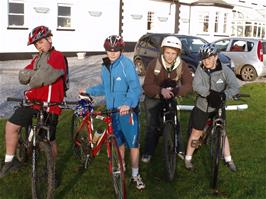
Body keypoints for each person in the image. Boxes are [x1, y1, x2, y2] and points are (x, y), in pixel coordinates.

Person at [0, 25, 67, 178]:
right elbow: (22, 76)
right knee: (11, 126)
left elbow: (42, 78)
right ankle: (9, 162)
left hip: (50, 105)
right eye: (36, 44)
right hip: (33, 101)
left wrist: (34, 76)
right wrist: (35, 74)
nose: (39, 46)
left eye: (41, 42)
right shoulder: (38, 58)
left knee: (49, 140)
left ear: (49, 39)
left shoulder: (57, 57)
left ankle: (52, 172)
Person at [80, 35, 145, 190]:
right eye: (109, 50)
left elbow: (135, 88)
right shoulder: (105, 66)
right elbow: (106, 87)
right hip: (112, 111)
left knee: (133, 144)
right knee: (119, 142)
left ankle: (136, 175)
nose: (113, 53)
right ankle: (120, 169)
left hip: (127, 111)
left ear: (121, 50)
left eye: (116, 50)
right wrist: (89, 90)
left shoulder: (126, 65)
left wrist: (127, 103)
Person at [184, 43, 239, 172]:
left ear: (216, 57)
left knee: (222, 132)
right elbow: (196, 85)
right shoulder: (200, 68)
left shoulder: (225, 70)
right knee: (196, 132)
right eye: (204, 58)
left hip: (218, 105)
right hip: (203, 105)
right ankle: (188, 158)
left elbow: (235, 87)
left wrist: (224, 95)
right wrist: (209, 94)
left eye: (209, 58)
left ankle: (228, 158)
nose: (206, 61)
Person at [141, 36, 193, 163]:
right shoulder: (154, 64)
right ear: (163, 51)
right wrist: (160, 91)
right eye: (167, 52)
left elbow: (189, 85)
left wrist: (176, 91)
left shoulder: (182, 65)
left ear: (178, 53)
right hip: (154, 97)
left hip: (171, 96)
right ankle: (148, 151)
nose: (170, 56)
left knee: (175, 121)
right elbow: (147, 86)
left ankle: (179, 148)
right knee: (152, 124)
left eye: (173, 53)